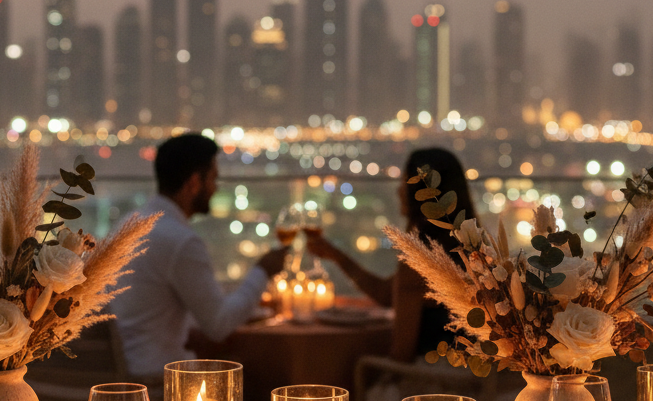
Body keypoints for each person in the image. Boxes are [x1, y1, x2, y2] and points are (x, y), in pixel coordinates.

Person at [111, 134, 289, 377]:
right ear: (195, 182)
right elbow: (218, 325)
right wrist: (263, 270)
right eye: (213, 178)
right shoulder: (180, 242)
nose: (215, 188)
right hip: (156, 380)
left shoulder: (129, 224)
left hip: (118, 371)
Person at [306, 147, 477, 362]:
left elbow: (401, 354)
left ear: (421, 195)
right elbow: (388, 294)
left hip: (431, 385)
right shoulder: (477, 250)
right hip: (472, 382)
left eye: (404, 182)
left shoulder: (422, 262)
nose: (398, 191)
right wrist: (338, 257)